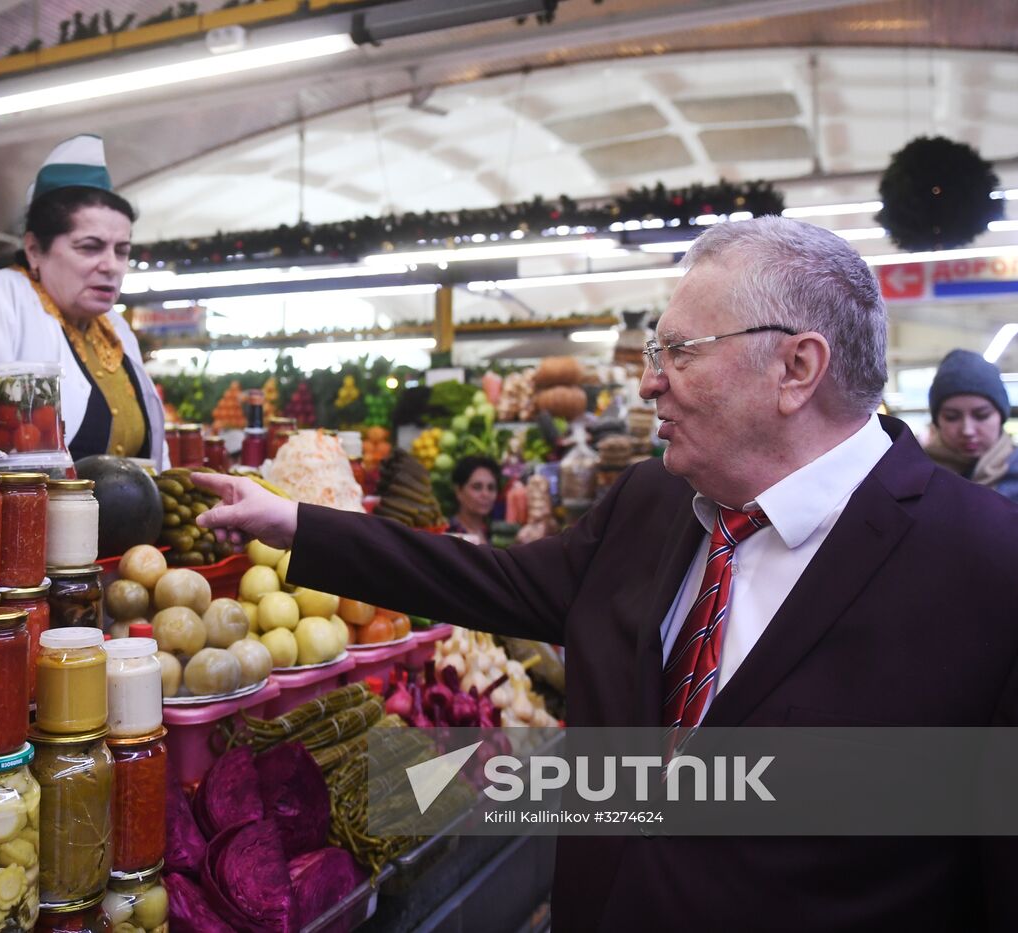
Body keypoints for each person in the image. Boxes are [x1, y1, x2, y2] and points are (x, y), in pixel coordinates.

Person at [194, 216, 1018, 931]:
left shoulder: (986, 567)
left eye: (680, 351)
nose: (649, 377)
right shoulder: (655, 502)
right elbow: (499, 585)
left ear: (797, 368)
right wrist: (295, 523)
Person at [0, 134, 169, 467]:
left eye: (122, 250)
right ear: (34, 249)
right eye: (89, 247)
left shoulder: (116, 328)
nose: (111, 265)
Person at [924, 348, 1018, 502]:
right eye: (951, 417)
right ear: (937, 421)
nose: (967, 431)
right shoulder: (912, 477)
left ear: (1001, 416)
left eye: (982, 415)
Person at [446, 454, 499, 544]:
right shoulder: (447, 534)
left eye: (491, 488)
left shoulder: (493, 534)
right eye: (477, 487)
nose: (485, 494)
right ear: (459, 491)